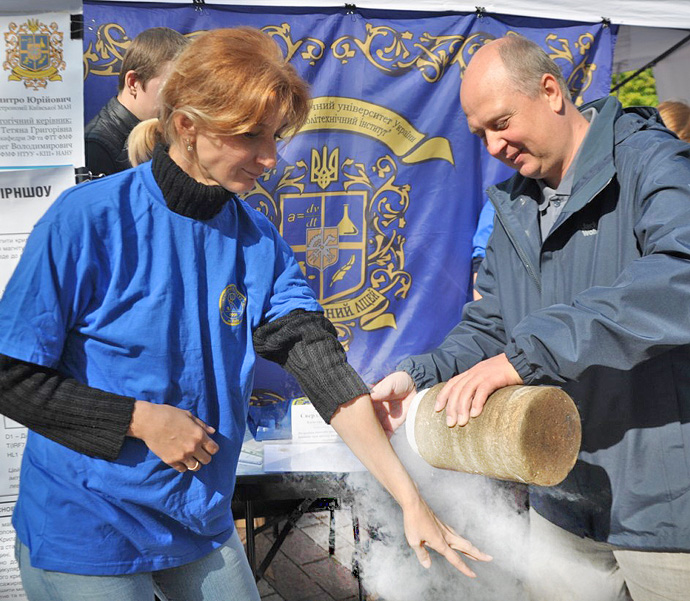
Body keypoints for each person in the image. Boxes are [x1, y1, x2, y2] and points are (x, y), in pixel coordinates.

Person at [0, 27, 491, 601]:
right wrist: (140, 420)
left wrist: (411, 501)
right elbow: (12, 376)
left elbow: (325, 371)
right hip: (87, 524)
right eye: (249, 136)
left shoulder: (258, 241)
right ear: (186, 125)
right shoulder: (87, 221)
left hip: (197, 517)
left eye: (275, 136)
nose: (269, 157)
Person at [372, 35, 690, 601]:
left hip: (667, 512)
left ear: (550, 91)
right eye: (480, 135)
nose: (494, 146)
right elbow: (491, 325)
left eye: (501, 123)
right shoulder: (515, 206)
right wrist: (418, 376)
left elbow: (680, 276)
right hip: (562, 500)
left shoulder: (649, 160)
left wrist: (530, 354)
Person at [84, 27, 188, 177]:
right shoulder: (96, 148)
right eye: (171, 88)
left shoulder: (166, 133)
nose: (180, 99)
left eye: (186, 88)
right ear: (133, 83)